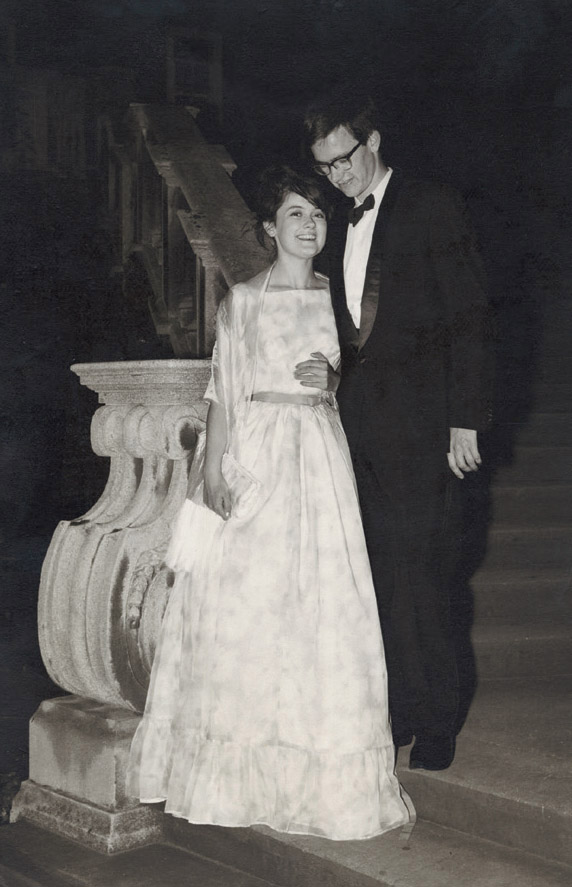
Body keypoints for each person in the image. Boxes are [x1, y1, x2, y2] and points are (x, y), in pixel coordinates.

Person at [127, 165, 412, 840]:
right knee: (246, 610)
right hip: (256, 458)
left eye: (317, 216)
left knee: (323, 608)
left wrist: (334, 375)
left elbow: (366, 378)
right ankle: (239, 778)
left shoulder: (338, 298)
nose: (309, 226)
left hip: (319, 456)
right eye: (294, 215)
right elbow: (223, 394)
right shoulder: (244, 301)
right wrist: (213, 474)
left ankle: (317, 775)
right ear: (269, 228)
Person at [303, 89, 492, 771]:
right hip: (355, 426)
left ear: (372, 141)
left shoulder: (431, 204)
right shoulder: (335, 218)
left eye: (344, 159)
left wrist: (465, 417)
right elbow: (347, 326)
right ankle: (402, 706)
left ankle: (438, 717)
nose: (337, 175)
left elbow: (469, 315)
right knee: (377, 574)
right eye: (325, 167)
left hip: (424, 424)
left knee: (426, 571)